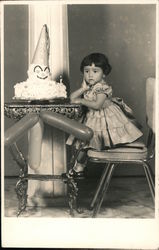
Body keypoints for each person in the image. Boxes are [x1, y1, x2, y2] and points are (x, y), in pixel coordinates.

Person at [68, 52, 143, 178]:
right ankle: (79, 167)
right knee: (84, 144)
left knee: (88, 143)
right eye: (86, 71)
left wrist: (81, 100)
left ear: (104, 73)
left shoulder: (101, 87)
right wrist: (82, 89)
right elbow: (71, 99)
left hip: (104, 118)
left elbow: (97, 105)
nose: (90, 74)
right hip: (92, 117)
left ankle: (78, 167)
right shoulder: (90, 87)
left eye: (95, 71)